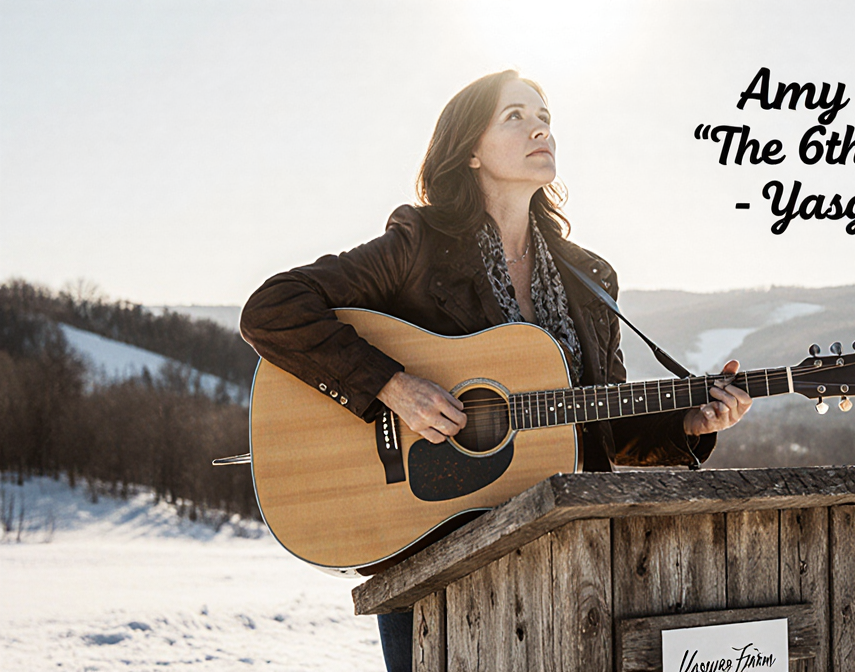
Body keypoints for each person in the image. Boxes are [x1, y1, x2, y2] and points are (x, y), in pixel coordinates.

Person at [239, 70, 752, 672]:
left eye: (545, 116)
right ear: (471, 150)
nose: (541, 127)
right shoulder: (419, 245)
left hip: (563, 559)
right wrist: (391, 386)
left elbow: (596, 417)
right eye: (515, 115)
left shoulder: (590, 279)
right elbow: (272, 310)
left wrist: (685, 423)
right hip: (431, 547)